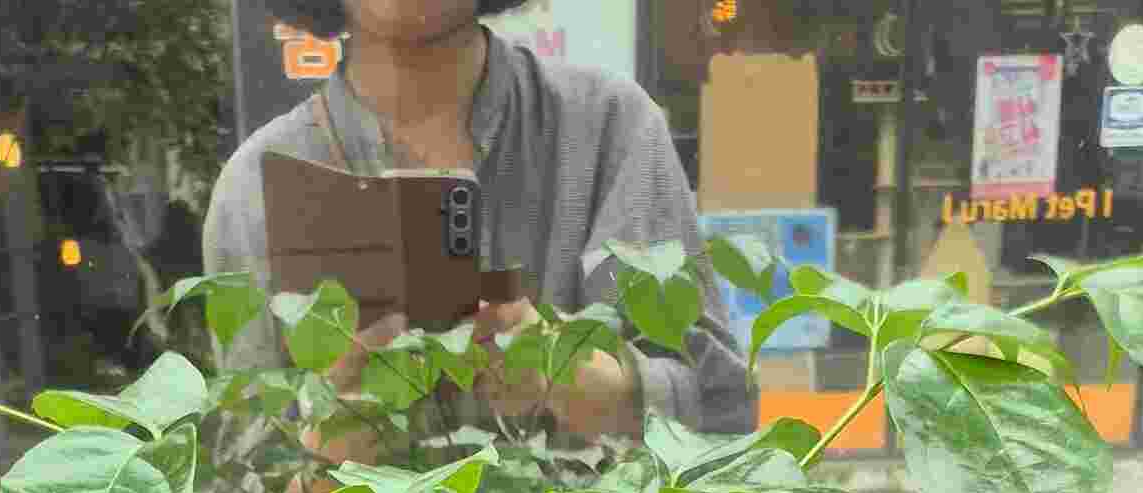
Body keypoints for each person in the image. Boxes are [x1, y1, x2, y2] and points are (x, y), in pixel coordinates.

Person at [204, 0, 756, 445]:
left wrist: (583, 381)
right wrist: (331, 449)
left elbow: (723, 409)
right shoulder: (253, 189)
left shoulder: (610, 128)